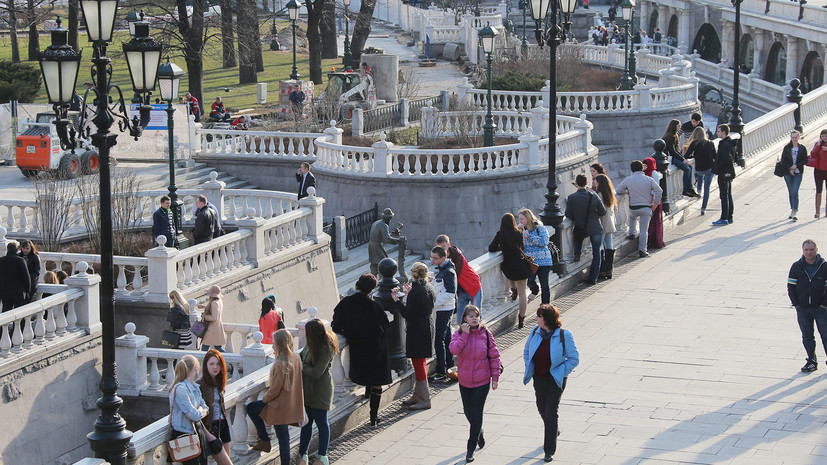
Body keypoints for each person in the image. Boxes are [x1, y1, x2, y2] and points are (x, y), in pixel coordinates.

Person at [331, 273, 392, 427]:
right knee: (376, 381)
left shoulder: (346, 303)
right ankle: (373, 417)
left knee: (363, 374)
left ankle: (366, 393)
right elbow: (385, 327)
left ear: (357, 285)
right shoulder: (375, 306)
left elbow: (336, 324)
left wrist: (349, 331)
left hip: (358, 347)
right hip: (376, 348)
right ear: (371, 290)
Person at [523, 304, 580, 463]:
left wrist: (562, 372)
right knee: (541, 406)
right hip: (539, 378)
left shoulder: (564, 335)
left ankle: (549, 449)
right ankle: (553, 428)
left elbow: (574, 358)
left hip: (555, 379)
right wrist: (529, 365)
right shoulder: (535, 331)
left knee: (550, 412)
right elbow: (527, 351)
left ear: (547, 319)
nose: (537, 318)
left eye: (539, 316)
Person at [449, 305, 500, 463]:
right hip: (464, 381)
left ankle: (470, 449)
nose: (474, 318)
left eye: (476, 316)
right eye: (470, 316)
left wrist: (495, 377)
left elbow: (494, 355)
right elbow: (453, 350)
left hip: (482, 380)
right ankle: (479, 432)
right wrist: (464, 335)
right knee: (468, 411)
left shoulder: (485, 333)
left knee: (477, 413)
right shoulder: (458, 334)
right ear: (464, 318)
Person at [245, 329, 304, 462]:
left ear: (280, 344)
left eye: (274, 343)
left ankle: (265, 440)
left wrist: (264, 399)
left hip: (279, 407)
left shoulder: (280, 364)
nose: (272, 346)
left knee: (251, 408)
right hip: (291, 404)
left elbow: (275, 390)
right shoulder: (295, 357)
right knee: (284, 440)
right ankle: (264, 441)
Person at [167, 354, 232, 465]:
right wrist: (201, 411)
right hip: (185, 434)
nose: (215, 367)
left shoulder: (194, 387)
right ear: (197, 368)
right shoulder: (181, 388)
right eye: (211, 364)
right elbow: (195, 414)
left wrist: (201, 410)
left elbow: (204, 408)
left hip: (198, 432)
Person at [392, 262, 436, 408]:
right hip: (427, 326)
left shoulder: (416, 292)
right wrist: (410, 293)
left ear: (413, 274)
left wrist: (397, 301)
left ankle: (425, 398)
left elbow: (407, 314)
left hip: (417, 330)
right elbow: (424, 303)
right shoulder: (428, 286)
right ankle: (417, 395)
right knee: (420, 362)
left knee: (418, 364)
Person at [297, 319, 340, 465]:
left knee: (322, 422)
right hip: (308, 390)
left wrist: (301, 365)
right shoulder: (311, 344)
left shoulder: (326, 347)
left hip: (321, 390)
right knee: (307, 424)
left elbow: (316, 372)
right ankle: (302, 454)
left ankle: (322, 456)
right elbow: (301, 356)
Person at [787, 239, 827, 373]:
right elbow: (791, 286)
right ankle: (811, 361)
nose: (809, 252)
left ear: (816, 250)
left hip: (821, 309)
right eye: (806, 250)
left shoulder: (824, 266)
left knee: (826, 336)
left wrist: (824, 305)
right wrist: (797, 304)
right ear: (803, 250)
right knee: (807, 336)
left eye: (811, 249)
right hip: (803, 309)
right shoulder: (796, 266)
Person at [489, 213, 532, 328]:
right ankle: (521, 319)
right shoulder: (518, 232)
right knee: (523, 294)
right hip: (520, 265)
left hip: (508, 266)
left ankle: (514, 291)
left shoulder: (500, 234)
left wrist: (502, 247)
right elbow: (522, 247)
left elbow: (491, 248)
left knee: (512, 278)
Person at [615, 160, 663, 257]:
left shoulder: (628, 179)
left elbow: (618, 190)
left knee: (632, 217)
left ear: (632, 169)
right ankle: (642, 250)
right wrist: (656, 203)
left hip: (633, 207)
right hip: (646, 207)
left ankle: (632, 232)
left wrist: (626, 192)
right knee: (644, 229)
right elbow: (659, 191)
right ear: (642, 168)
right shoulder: (649, 179)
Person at [565, 174, 606, 284]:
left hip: (580, 227)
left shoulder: (571, 198)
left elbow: (568, 214)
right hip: (595, 227)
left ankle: (577, 252)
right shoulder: (594, 196)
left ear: (576, 183)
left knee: (577, 237)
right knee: (596, 253)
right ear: (587, 183)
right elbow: (603, 212)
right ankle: (593, 278)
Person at [435, 234, 482, 324]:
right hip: (462, 290)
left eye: (444, 246)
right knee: (459, 320)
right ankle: (463, 337)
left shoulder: (457, 256)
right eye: (439, 247)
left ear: (448, 244)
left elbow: (453, 275)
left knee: (477, 318)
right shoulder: (442, 259)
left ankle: (480, 337)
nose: (442, 249)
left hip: (473, 286)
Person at [430, 246, 457, 382]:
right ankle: (449, 366)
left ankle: (441, 370)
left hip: (444, 309)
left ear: (443, 258)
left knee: (439, 339)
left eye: (435, 258)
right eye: (432, 257)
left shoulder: (448, 272)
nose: (432, 260)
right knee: (446, 338)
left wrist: (433, 303)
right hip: (443, 308)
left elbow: (451, 293)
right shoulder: (443, 270)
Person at [199, 350, 232, 459]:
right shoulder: (200, 384)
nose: (215, 367)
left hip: (222, 423)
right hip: (210, 425)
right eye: (211, 364)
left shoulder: (219, 381)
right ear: (205, 366)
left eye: (218, 364)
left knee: (227, 458)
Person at [519, 208, 553, 304]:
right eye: (520, 219)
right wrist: (517, 232)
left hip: (544, 261)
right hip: (530, 262)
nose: (520, 221)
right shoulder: (521, 230)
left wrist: (530, 237)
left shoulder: (539, 227)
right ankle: (535, 290)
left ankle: (545, 306)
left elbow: (544, 242)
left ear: (528, 218)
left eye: (522, 219)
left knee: (544, 284)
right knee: (530, 281)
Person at [683, 126, 717, 215]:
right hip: (710, 168)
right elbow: (715, 156)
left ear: (695, 134)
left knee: (700, 175)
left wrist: (695, 155)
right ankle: (703, 208)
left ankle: (698, 190)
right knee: (707, 189)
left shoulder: (694, 143)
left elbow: (686, 156)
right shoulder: (710, 143)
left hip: (699, 169)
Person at [663, 119, 700, 198]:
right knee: (687, 169)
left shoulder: (674, 136)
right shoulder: (670, 136)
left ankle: (689, 188)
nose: (680, 127)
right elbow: (672, 151)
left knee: (689, 167)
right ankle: (686, 189)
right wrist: (683, 159)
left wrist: (683, 157)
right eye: (678, 126)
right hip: (671, 158)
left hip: (674, 156)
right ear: (674, 126)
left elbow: (676, 150)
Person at [779, 130, 808, 221]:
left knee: (795, 191)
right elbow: (783, 160)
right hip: (788, 173)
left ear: (799, 138)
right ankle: (792, 209)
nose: (794, 139)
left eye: (796, 137)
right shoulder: (787, 148)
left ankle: (795, 211)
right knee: (791, 192)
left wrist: (796, 166)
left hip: (798, 172)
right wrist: (790, 169)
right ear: (791, 138)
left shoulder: (802, 148)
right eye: (793, 137)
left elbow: (805, 160)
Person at [592, 174, 618, 279]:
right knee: (609, 246)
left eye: (595, 182)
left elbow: (597, 210)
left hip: (602, 224)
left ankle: (602, 270)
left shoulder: (599, 195)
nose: (594, 183)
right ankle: (609, 270)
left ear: (599, 183)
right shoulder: (610, 194)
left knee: (600, 247)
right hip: (610, 224)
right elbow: (615, 209)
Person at [712, 124, 737, 226]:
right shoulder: (731, 143)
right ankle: (730, 216)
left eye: (718, 131)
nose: (717, 133)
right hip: (729, 173)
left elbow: (726, 159)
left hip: (723, 173)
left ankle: (724, 218)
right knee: (728, 194)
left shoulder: (724, 144)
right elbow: (734, 157)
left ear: (723, 132)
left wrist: (717, 169)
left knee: (724, 195)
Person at [368, 208, 400, 275]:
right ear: (388, 218)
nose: (390, 221)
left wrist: (393, 233)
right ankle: (382, 281)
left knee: (374, 264)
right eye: (390, 219)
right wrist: (398, 240)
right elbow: (387, 239)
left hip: (371, 246)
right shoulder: (384, 225)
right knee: (384, 265)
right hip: (377, 247)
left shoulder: (376, 222)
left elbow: (382, 236)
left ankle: (373, 278)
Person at [0, 242, 31, 311]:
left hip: (4, 292)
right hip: (18, 292)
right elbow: (26, 277)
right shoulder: (20, 261)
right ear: (17, 250)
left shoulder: (1, 260)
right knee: (19, 315)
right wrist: (27, 290)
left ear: (7, 250)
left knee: (6, 313)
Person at [643, 158, 665, 250]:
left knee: (655, 220)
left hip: (654, 200)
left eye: (645, 165)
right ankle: (649, 241)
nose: (643, 167)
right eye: (643, 165)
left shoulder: (654, 173)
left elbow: (657, 189)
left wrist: (655, 202)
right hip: (646, 199)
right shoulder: (642, 174)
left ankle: (656, 240)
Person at [200, 285, 226, 352]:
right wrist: (205, 307)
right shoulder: (219, 301)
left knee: (205, 348)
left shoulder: (214, 303)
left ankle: (231, 360)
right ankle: (231, 360)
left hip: (212, 329)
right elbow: (216, 311)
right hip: (217, 327)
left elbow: (214, 317)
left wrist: (205, 316)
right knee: (218, 347)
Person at [811, 129, 827, 218]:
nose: (824, 138)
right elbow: (813, 155)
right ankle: (817, 211)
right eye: (823, 136)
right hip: (818, 170)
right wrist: (818, 146)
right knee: (818, 190)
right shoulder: (818, 144)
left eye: (826, 136)